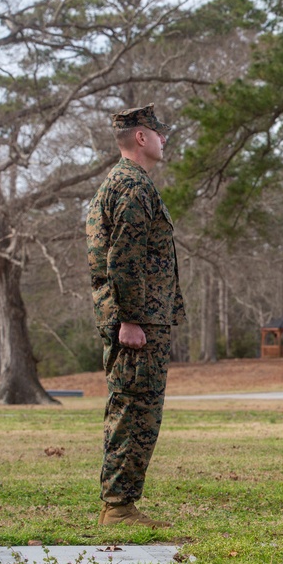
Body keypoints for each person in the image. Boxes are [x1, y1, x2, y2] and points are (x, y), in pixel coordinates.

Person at [86, 103, 185, 529]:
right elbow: (123, 259)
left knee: (132, 408)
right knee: (134, 410)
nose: (165, 139)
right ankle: (119, 506)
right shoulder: (131, 186)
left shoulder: (124, 183)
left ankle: (120, 502)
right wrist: (130, 319)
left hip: (141, 318)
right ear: (142, 137)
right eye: (159, 133)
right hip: (136, 322)